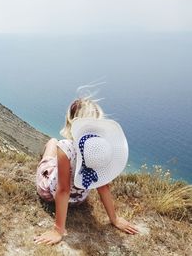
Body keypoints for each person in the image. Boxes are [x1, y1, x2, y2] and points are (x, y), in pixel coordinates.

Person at [34, 97, 139, 245]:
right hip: (78, 200)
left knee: (52, 143)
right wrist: (114, 219)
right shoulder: (99, 151)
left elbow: (63, 190)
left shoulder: (65, 147)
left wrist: (58, 230)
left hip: (49, 194)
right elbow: (103, 186)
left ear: (71, 121)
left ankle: (44, 161)